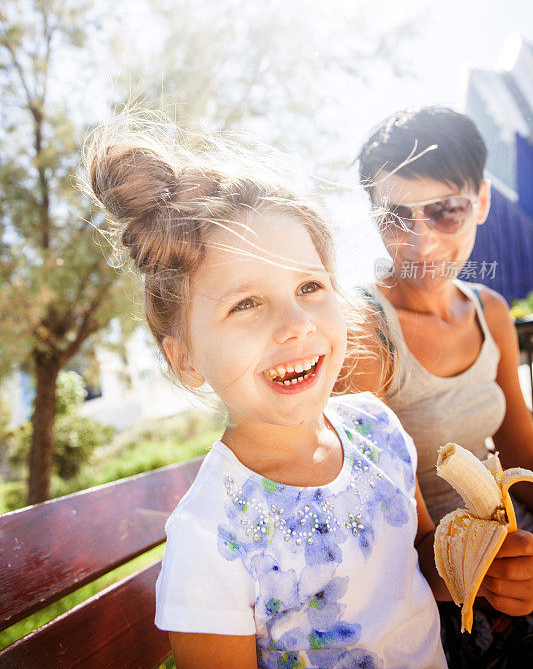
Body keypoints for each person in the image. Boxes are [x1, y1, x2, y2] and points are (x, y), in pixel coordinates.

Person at [84, 112, 450, 669]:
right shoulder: (211, 540)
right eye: (246, 304)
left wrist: (480, 571)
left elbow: (421, 559)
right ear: (183, 358)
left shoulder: (378, 427)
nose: (296, 323)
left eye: (310, 285)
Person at [351, 105, 533, 667]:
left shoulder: (491, 311)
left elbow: (522, 452)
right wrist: (495, 565)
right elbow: (406, 541)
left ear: (480, 201)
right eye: (395, 217)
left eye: (445, 212)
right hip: (448, 586)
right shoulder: (363, 332)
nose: (421, 244)